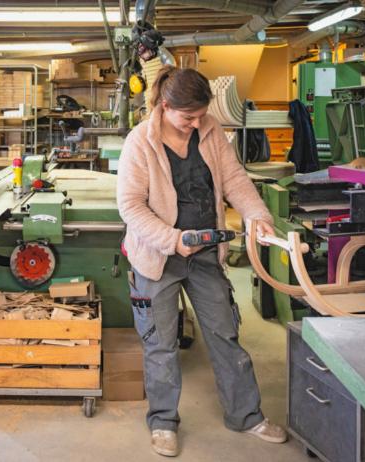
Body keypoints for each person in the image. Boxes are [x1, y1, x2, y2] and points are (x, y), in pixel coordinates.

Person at [116, 66, 287, 457]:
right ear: (165, 106)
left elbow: (235, 180)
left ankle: (246, 415)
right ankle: (163, 422)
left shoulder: (210, 131)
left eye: (200, 115)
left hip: (206, 251)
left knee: (225, 334)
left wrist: (256, 216)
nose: (196, 123)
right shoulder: (139, 142)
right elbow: (131, 206)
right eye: (188, 117)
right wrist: (172, 240)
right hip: (157, 257)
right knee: (161, 343)